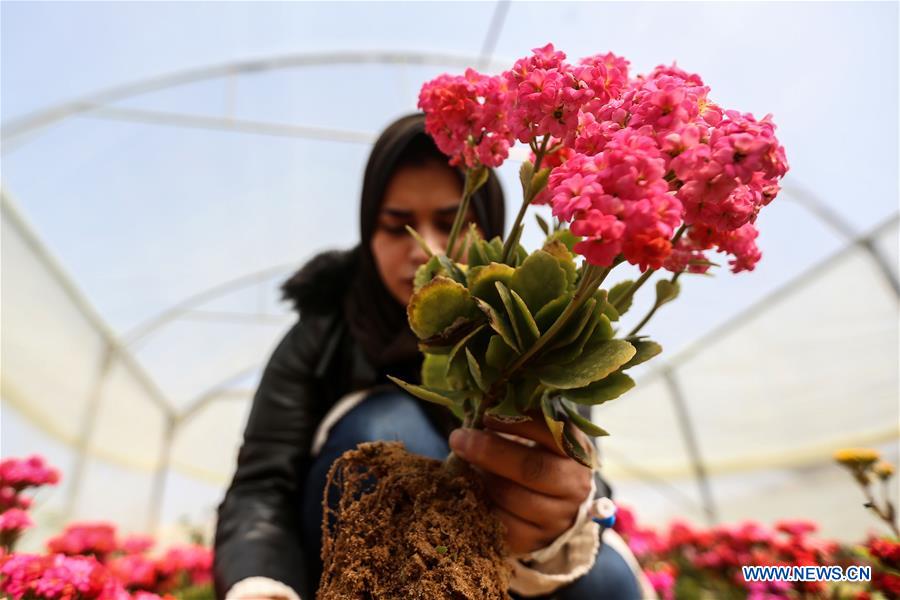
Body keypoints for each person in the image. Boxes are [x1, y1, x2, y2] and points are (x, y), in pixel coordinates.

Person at [213, 113, 647, 600]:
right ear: (368, 231)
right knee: (383, 432)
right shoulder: (322, 333)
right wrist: (262, 585)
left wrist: (556, 522)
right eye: (398, 227)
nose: (426, 249)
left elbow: (586, 475)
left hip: (509, 574)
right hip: (347, 572)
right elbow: (261, 486)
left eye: (450, 222)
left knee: (606, 579)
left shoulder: (538, 331)